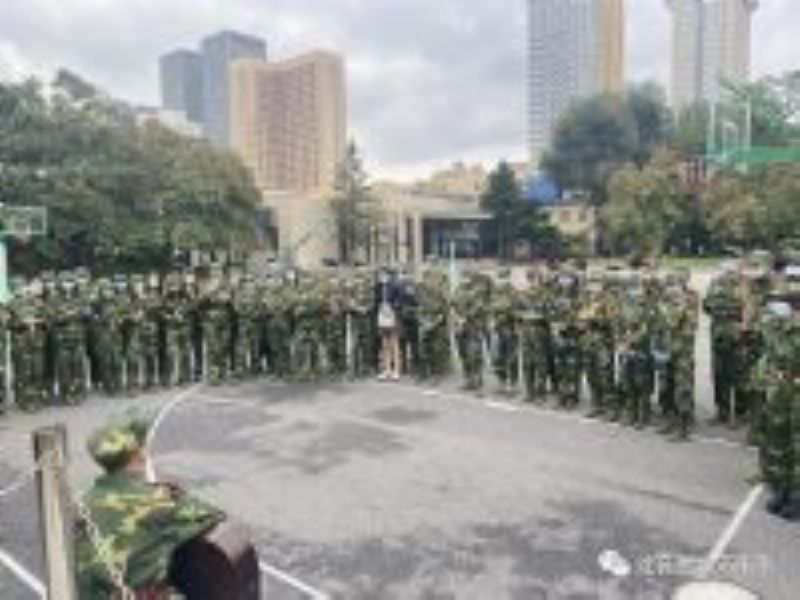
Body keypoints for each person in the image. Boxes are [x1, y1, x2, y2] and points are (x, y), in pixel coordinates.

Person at [75, 413, 226, 598]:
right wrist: (174, 493)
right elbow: (213, 515)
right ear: (139, 456)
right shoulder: (157, 499)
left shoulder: (82, 502)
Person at [375, 268, 402, 381]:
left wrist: (392, 307)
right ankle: (386, 370)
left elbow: (400, 301)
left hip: (392, 315)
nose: (382, 277)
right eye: (380, 275)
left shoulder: (395, 286)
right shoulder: (378, 287)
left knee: (394, 344)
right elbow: (376, 301)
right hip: (382, 315)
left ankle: (396, 370)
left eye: (384, 274)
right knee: (384, 344)